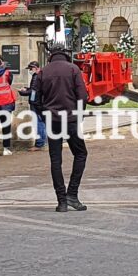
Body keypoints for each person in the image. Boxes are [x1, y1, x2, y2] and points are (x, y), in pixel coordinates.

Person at [38, 43, 88, 212]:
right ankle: (72, 194)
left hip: (52, 120)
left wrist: (44, 114)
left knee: (55, 159)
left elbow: (35, 99)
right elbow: (82, 96)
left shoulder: (43, 72)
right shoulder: (73, 70)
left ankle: (61, 201)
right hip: (71, 118)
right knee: (80, 153)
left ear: (51, 54)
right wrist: (79, 115)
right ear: (65, 53)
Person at [19, 60, 46, 150]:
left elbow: (34, 91)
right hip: (38, 102)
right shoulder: (39, 75)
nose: (30, 70)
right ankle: (42, 142)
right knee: (41, 122)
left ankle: (40, 143)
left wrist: (23, 92)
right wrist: (27, 89)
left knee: (38, 122)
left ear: (36, 68)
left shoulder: (36, 77)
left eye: (31, 68)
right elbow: (33, 89)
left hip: (36, 103)